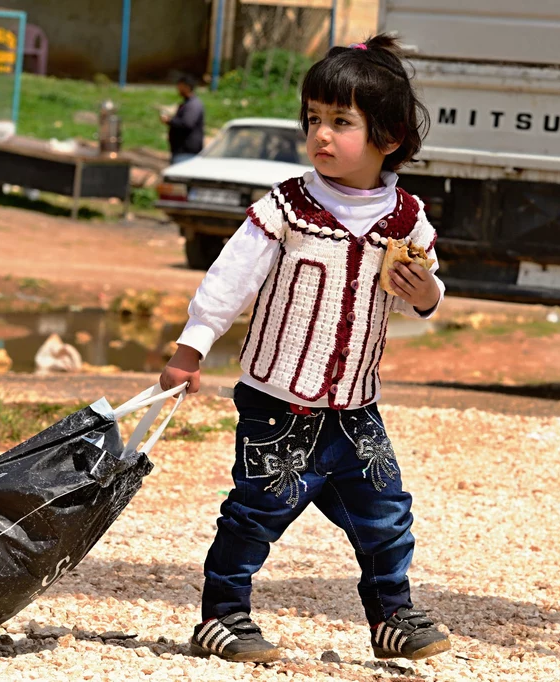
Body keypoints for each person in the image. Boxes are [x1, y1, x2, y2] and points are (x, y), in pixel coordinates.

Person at [159, 35, 450, 664]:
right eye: (313, 119)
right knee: (256, 511)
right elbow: (229, 278)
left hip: (355, 408)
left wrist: (423, 290)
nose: (321, 135)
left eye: (341, 122)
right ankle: (223, 615)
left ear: (390, 137)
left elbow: (426, 297)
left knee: (386, 514)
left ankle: (392, 616)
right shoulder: (287, 207)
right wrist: (192, 347)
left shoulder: (409, 219)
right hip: (278, 402)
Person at [162, 74, 204, 163]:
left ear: (187, 87)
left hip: (186, 152)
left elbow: (187, 124)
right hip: (180, 151)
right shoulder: (187, 103)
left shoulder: (193, 105)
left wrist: (169, 120)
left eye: (180, 86)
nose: (178, 89)